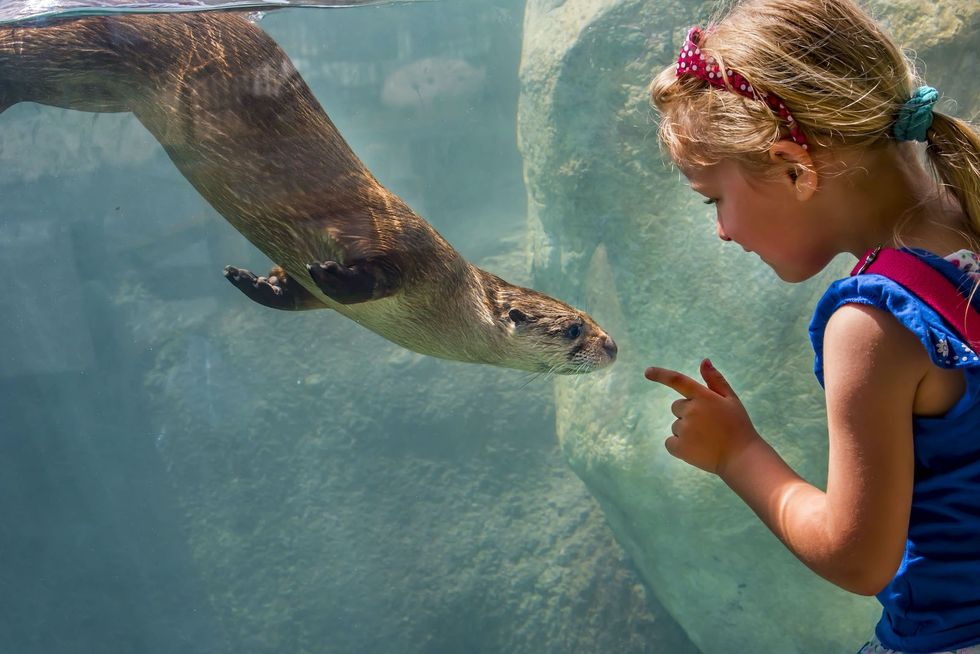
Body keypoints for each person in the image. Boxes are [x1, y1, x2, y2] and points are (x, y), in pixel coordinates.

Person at [642, 1, 980, 652]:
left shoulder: (875, 322)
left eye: (716, 197)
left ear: (796, 167)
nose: (722, 231)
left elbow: (858, 558)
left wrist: (736, 452)